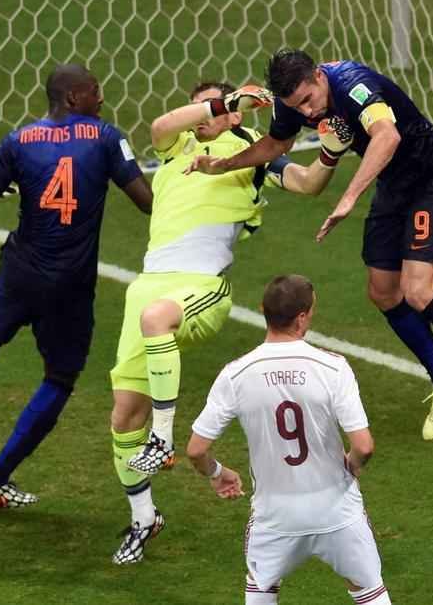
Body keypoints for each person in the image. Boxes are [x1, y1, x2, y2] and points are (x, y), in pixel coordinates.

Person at [187, 49, 433, 447]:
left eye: (309, 100)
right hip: (394, 186)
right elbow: (275, 145)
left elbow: (387, 135)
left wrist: (349, 198)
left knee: (418, 290)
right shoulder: (296, 102)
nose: (308, 113)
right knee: (382, 291)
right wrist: (224, 165)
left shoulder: (352, 85)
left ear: (319, 76)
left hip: (431, 179)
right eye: (297, 107)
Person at [109, 81, 349, 564]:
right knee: (122, 416)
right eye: (198, 107)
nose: (202, 116)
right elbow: (159, 125)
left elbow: (305, 183)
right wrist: (218, 103)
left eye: (213, 110)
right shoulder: (176, 144)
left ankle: (163, 438)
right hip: (149, 282)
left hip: (201, 287)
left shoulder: (250, 152)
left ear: (237, 117)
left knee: (158, 320)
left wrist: (330, 153)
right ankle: (143, 518)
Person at [0, 64, 153, 508]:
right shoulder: (105, 137)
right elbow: (145, 202)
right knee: (60, 377)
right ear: (74, 98)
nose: (102, 98)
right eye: (95, 91)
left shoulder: (17, 141)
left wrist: (9, 183)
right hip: (69, 285)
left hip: (21, 269)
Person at [186, 274, 392, 604]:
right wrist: (350, 467)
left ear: (262, 310)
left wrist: (217, 473)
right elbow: (364, 446)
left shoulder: (236, 374)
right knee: (369, 592)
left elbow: (196, 449)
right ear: (302, 317)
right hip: (336, 509)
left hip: (275, 515)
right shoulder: (332, 367)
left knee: (261, 590)